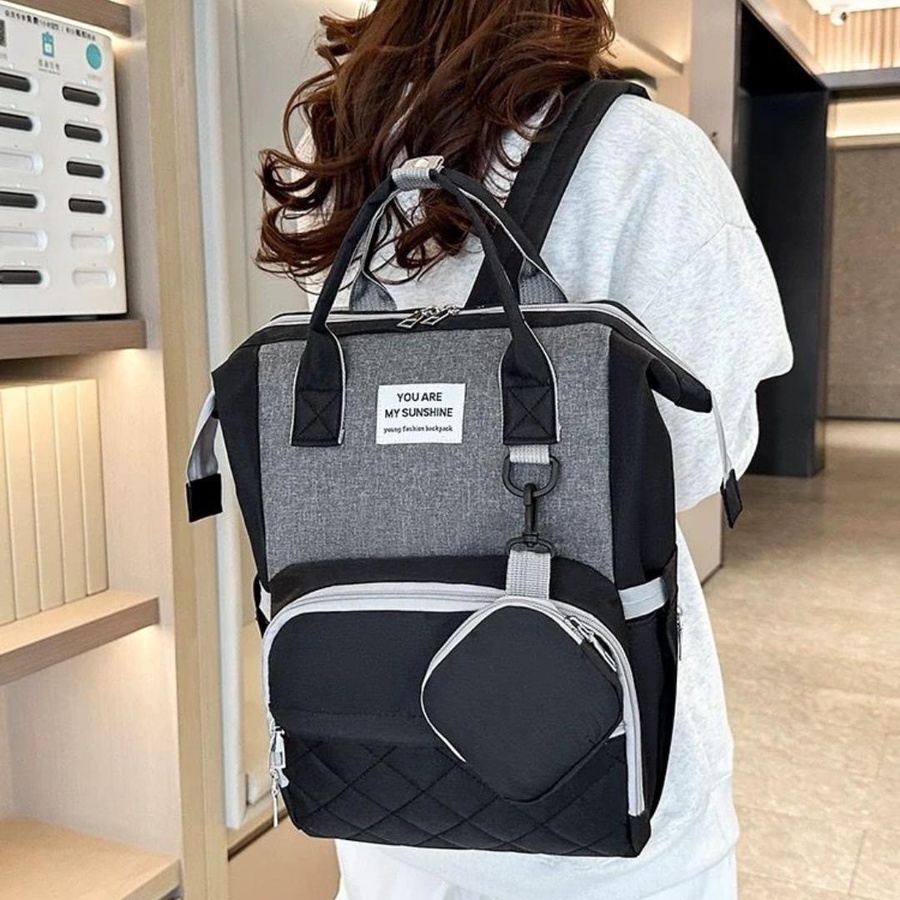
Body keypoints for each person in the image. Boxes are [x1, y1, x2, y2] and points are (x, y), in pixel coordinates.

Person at [257, 2, 793, 898]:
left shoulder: (349, 154)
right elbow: (700, 463)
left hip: (381, 789)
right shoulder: (648, 157)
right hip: (603, 793)